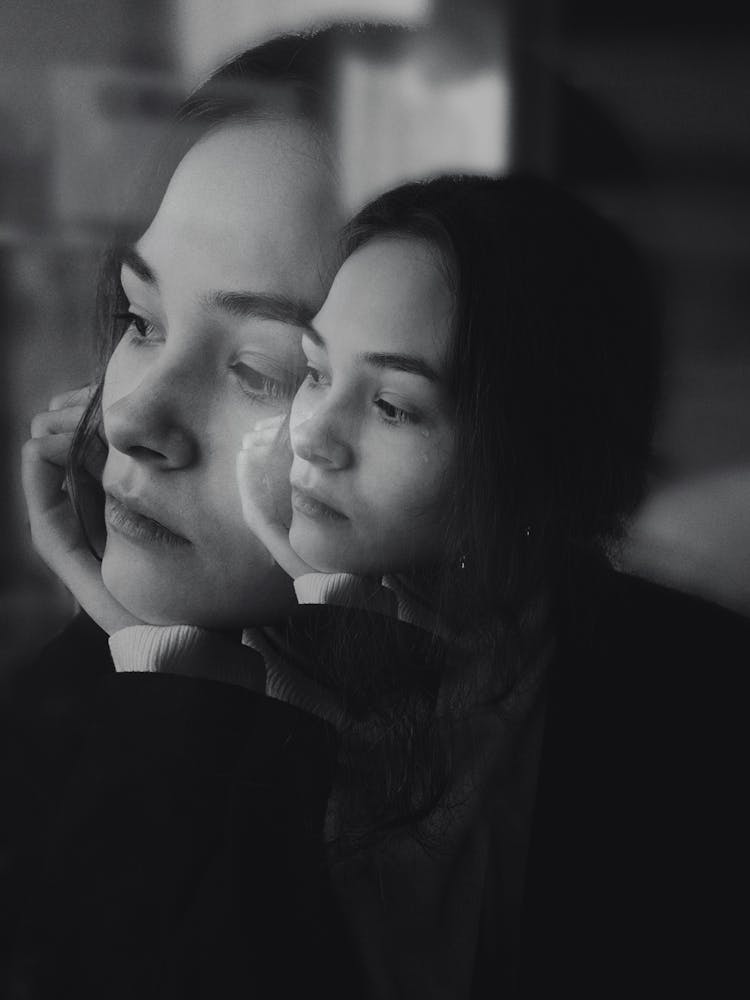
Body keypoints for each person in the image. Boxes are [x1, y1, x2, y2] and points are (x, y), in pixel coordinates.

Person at [4, 34, 749, 1000]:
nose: (133, 419)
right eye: (142, 321)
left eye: (269, 371)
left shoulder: (701, 734)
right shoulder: (56, 743)